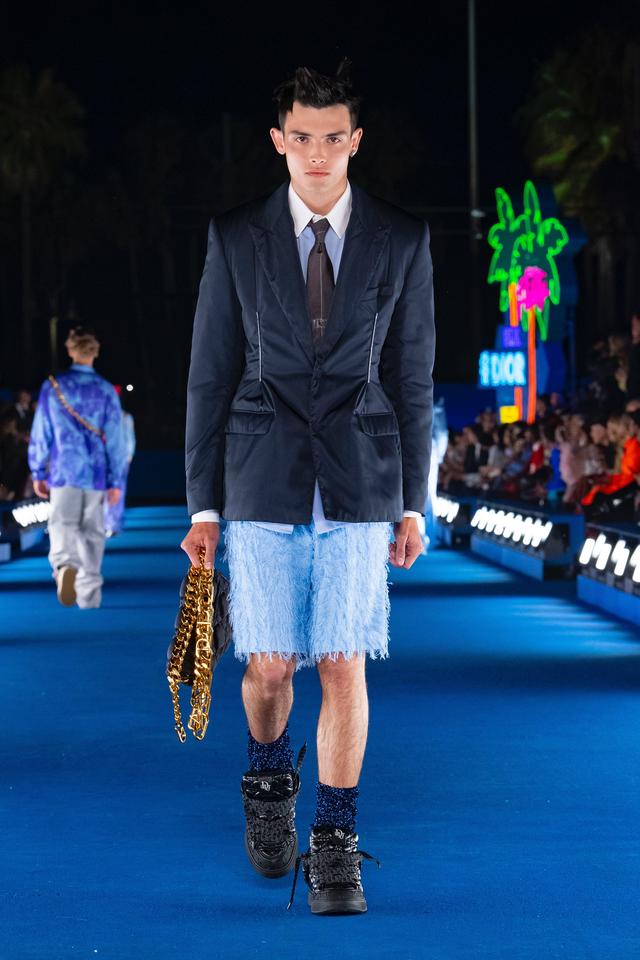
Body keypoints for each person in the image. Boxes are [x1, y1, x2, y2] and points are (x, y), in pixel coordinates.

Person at [180, 60, 435, 916]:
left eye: (333, 137)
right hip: (260, 477)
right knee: (268, 668)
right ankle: (267, 787)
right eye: (302, 137)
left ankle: (334, 845)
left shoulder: (402, 238)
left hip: (362, 478)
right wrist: (203, 505)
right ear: (278, 140)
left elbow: (412, 379)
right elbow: (209, 375)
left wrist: (414, 501)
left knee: (342, 662)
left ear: (355, 140)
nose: (317, 153)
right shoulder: (234, 237)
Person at [28, 327, 125, 608]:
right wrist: (116, 480)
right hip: (96, 473)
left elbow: (41, 432)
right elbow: (116, 439)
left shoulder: (53, 387)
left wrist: (38, 471)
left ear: (70, 351)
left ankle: (64, 565)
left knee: (62, 523)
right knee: (92, 531)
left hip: (63, 469)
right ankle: (89, 593)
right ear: (95, 352)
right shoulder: (106, 390)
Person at [104, 388, 136, 537]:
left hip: (121, 459)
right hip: (105, 459)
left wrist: (128, 458)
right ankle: (104, 523)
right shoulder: (104, 418)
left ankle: (113, 523)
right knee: (104, 491)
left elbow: (130, 439)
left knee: (118, 490)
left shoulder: (126, 417)